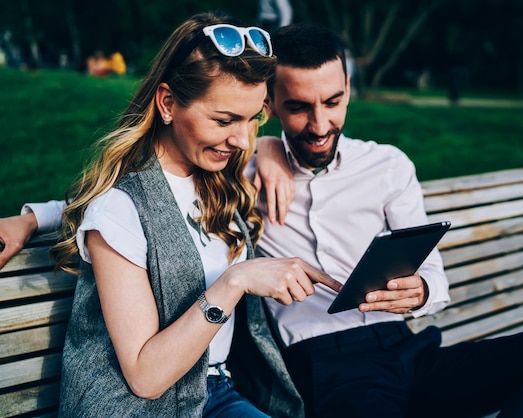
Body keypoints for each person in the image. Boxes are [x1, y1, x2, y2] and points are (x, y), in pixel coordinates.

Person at [0, 22, 523, 418]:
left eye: (333, 103)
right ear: (274, 105)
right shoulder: (232, 173)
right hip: (323, 372)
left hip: (407, 349)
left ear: (349, 91)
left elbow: (438, 281)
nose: (319, 124)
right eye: (296, 109)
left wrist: (422, 290)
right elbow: (127, 204)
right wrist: (31, 218)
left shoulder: (380, 166)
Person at [1, 12, 340, 417]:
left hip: (213, 392)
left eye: (253, 119)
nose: (242, 139)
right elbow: (145, 377)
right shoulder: (118, 209)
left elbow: (88, 203)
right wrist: (236, 281)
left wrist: (35, 216)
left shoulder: (218, 179)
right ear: (167, 103)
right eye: (224, 119)